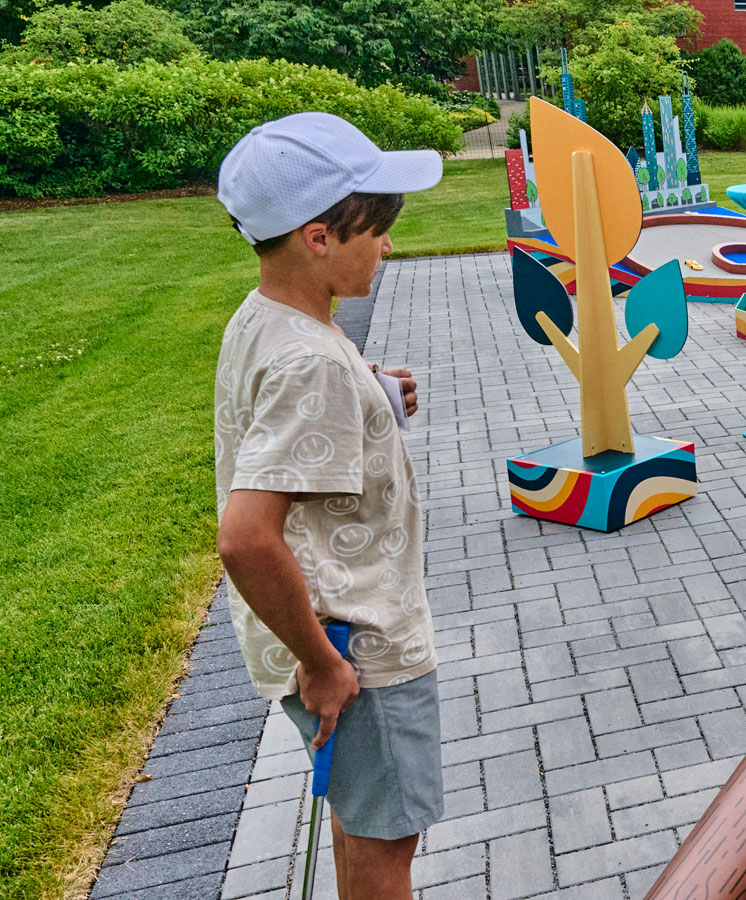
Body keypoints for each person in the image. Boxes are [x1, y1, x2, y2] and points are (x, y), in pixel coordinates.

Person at [214, 112, 444, 900]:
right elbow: (245, 540)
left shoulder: (270, 320)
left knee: (361, 819)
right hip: (358, 650)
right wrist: (321, 663)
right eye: (376, 230)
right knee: (388, 845)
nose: (388, 246)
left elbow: (289, 401)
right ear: (318, 237)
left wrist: (369, 388)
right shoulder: (311, 361)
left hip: (335, 640)